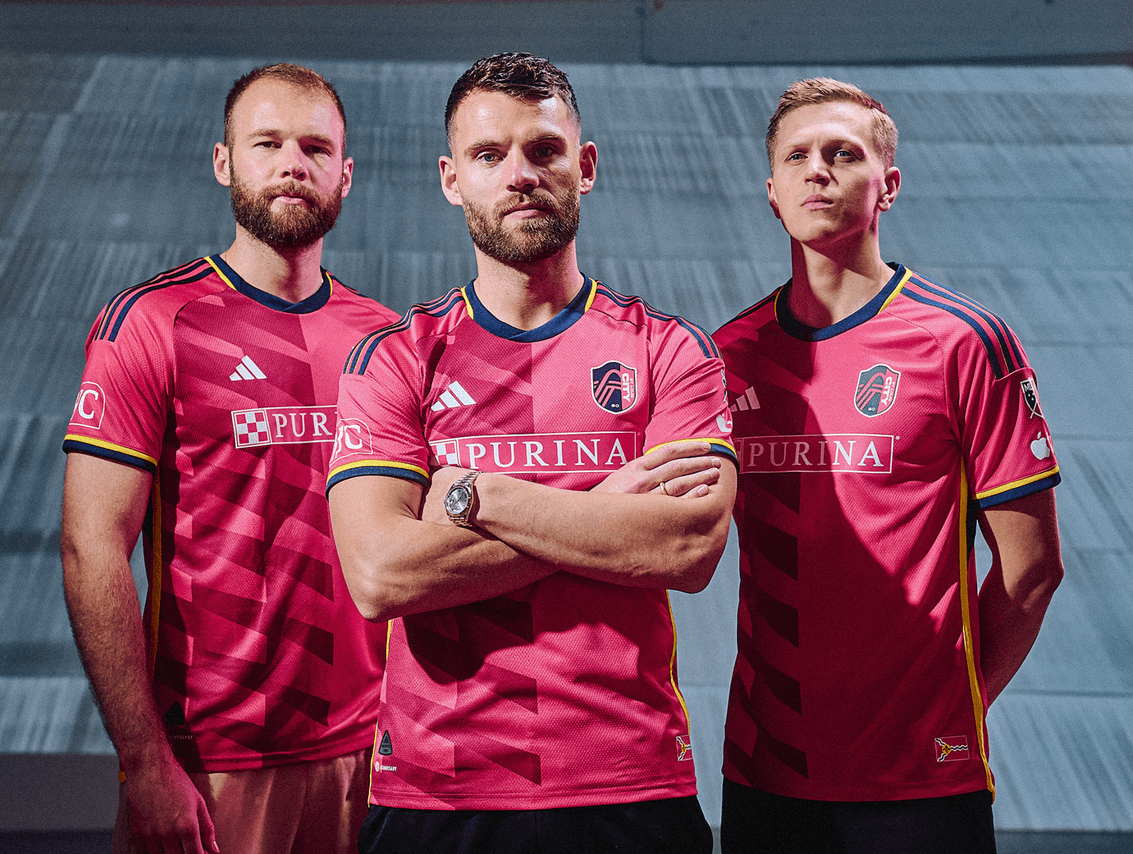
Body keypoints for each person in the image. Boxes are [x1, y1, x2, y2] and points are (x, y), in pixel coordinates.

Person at [325, 52, 738, 854]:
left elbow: (685, 549)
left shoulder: (669, 351)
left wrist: (475, 495)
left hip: (628, 783)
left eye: (544, 150)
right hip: (439, 792)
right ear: (452, 180)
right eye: (489, 155)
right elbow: (381, 575)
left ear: (585, 167)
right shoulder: (396, 358)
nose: (520, 174)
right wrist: (602, 513)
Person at [714, 78, 1065, 853]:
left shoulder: (965, 342)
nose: (818, 170)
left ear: (889, 185)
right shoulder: (727, 357)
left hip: (921, 785)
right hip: (765, 773)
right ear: (772, 193)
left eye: (843, 153)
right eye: (796, 157)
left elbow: (1033, 569)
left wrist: (948, 714)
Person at [61, 64, 395, 854]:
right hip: (209, 763)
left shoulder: (383, 339)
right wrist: (145, 763)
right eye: (267, 143)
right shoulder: (152, 323)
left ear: (345, 175)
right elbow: (90, 546)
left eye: (315, 148)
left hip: (370, 757)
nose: (292, 164)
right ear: (224, 162)